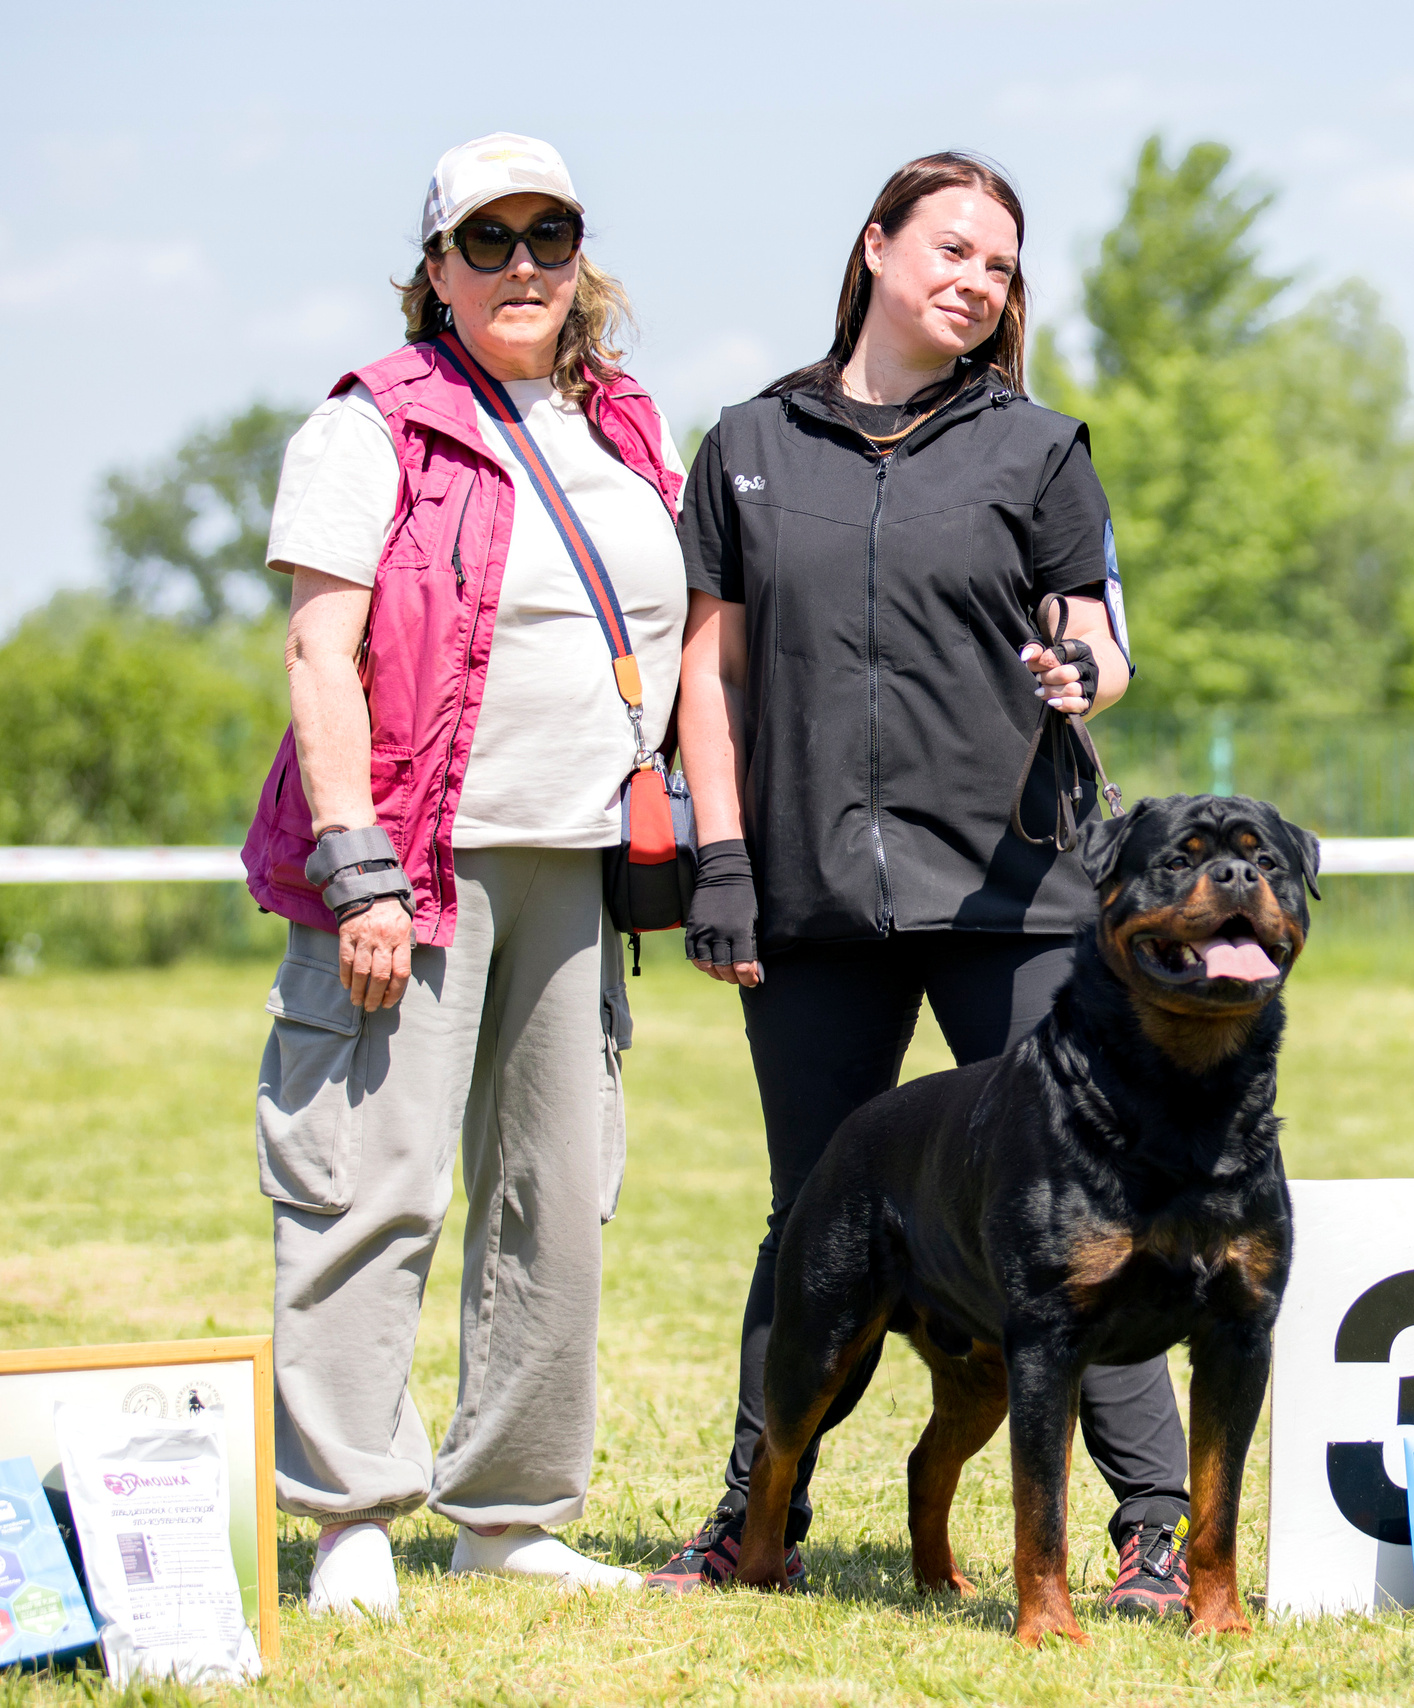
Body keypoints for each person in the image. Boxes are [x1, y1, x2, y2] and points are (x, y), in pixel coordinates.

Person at [646, 152, 1195, 1615]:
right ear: (876, 247)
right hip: (811, 896)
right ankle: (752, 1524)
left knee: (1080, 1213)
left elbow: (1104, 638)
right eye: (953, 248)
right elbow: (712, 662)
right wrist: (718, 857)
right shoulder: (750, 444)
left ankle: (1151, 1532)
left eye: (1001, 267)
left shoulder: (1037, 449)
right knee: (809, 1214)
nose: (977, 280)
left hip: (1016, 898)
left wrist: (1081, 670)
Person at [238, 133, 686, 1615]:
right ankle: (351, 1514)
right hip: (413, 862)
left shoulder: (626, 423)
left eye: (546, 235)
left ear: (580, 256)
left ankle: (509, 1513)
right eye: (483, 242)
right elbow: (320, 647)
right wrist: (356, 866)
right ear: (433, 271)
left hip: (577, 864)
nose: (519, 267)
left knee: (558, 1194)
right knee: (370, 1181)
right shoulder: (373, 424)